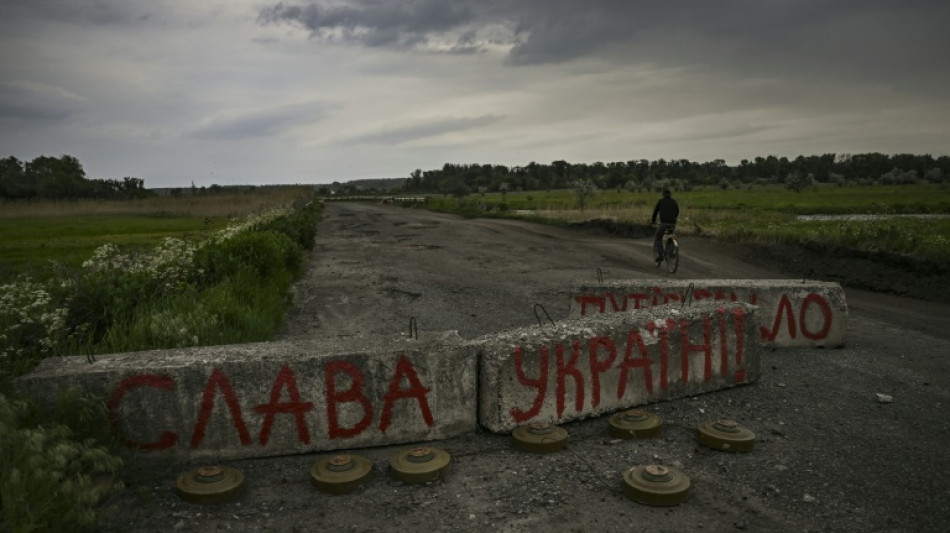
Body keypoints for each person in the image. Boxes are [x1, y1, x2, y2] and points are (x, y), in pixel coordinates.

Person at [651, 188, 679, 265]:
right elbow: (677, 211)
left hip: (663, 223)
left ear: (663, 194)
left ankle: (661, 255)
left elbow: (655, 212)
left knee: (658, 238)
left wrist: (653, 221)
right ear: (670, 194)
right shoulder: (674, 201)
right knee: (671, 235)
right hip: (673, 223)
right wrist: (673, 219)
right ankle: (670, 253)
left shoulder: (660, 201)